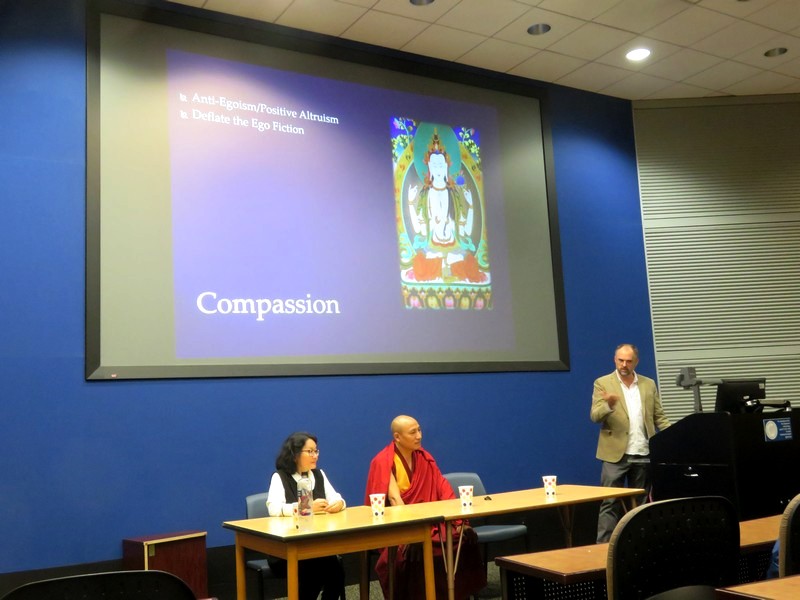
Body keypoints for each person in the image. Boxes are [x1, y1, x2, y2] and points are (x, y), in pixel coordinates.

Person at [364, 415, 486, 599]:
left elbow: (443, 489)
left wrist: (460, 523)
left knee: (463, 540)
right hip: (400, 526)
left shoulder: (424, 457)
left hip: (431, 523)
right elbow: (395, 500)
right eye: (413, 432)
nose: (419, 436)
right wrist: (411, 534)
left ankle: (457, 595)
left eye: (419, 430)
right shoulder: (384, 461)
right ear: (397, 437)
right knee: (417, 550)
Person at [590, 344, 671, 543]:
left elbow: (659, 416)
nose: (624, 365)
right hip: (614, 454)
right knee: (610, 502)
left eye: (628, 361)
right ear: (614, 359)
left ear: (636, 361)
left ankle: (640, 544)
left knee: (641, 504)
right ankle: (603, 548)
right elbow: (595, 416)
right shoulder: (602, 383)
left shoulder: (648, 384)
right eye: (620, 360)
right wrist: (609, 404)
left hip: (642, 451)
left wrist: (674, 435)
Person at [266, 432, 346, 600]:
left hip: (316, 544)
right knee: (314, 571)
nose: (315, 456)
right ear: (295, 454)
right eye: (310, 451)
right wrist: (306, 507)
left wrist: (339, 504)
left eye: (316, 451)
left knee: (337, 573)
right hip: (286, 549)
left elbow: (336, 497)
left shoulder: (319, 474)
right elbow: (274, 508)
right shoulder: (280, 477)